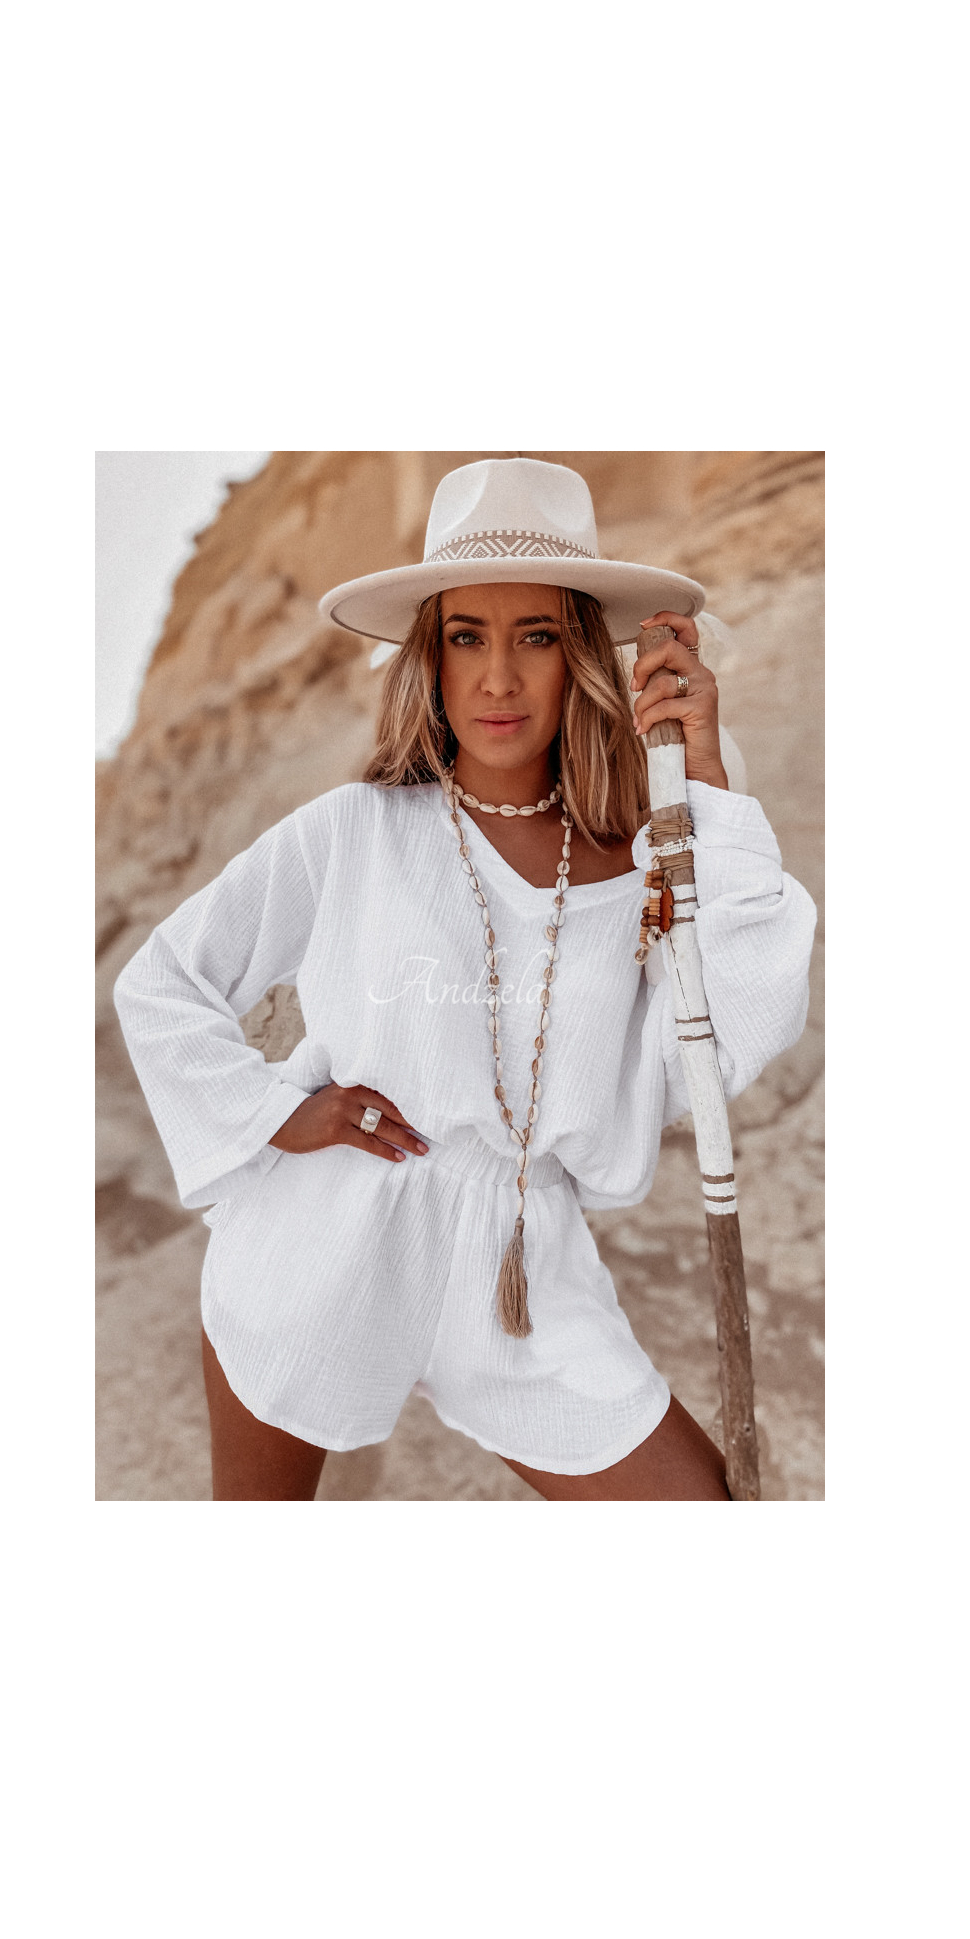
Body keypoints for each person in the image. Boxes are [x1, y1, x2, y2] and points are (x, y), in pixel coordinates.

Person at [113, 458, 817, 1501]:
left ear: (580, 654)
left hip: (524, 1270)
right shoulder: (355, 831)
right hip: (323, 1239)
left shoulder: (642, 858)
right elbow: (162, 982)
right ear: (427, 658)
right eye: (465, 637)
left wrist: (703, 782)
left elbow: (740, 1023)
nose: (498, 678)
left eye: (536, 637)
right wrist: (277, 1114)